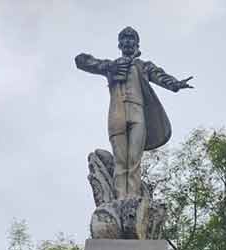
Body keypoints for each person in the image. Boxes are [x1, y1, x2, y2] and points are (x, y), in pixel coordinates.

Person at [75, 27, 193, 199]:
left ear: (137, 44)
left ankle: (134, 199)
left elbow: (161, 76)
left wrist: (176, 84)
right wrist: (110, 66)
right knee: (120, 161)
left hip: (138, 114)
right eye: (125, 38)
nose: (128, 41)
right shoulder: (111, 66)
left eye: (132, 38)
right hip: (117, 114)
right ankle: (121, 199)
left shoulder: (143, 66)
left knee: (134, 161)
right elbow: (81, 61)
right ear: (119, 44)